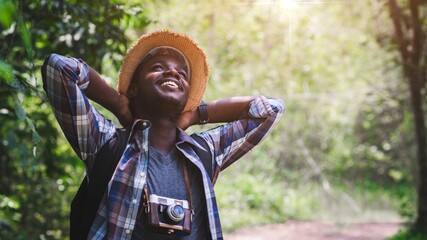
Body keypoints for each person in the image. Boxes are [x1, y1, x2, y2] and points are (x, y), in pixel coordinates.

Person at [42, 30, 285, 240]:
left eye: (182, 74)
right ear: (135, 89)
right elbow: (59, 68)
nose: (173, 74)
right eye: (159, 67)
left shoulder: (205, 151)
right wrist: (117, 103)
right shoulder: (105, 141)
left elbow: (270, 110)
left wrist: (197, 114)